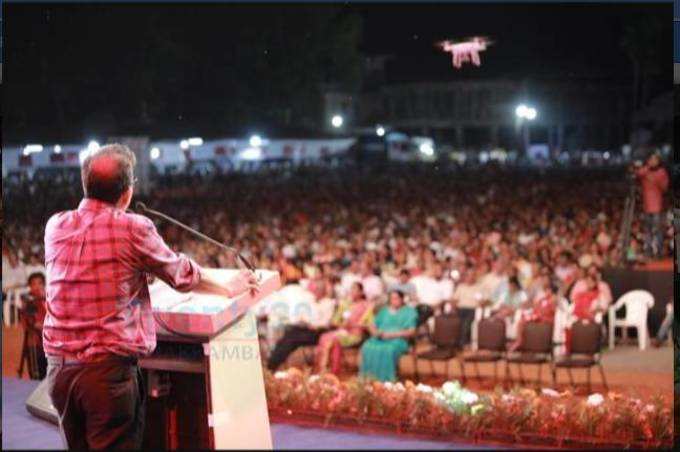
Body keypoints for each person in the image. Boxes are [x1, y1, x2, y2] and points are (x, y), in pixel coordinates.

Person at [43, 144, 259, 450]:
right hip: (106, 375)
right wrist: (228, 285)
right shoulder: (132, 227)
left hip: (59, 372)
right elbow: (180, 274)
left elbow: (96, 269)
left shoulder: (55, 225)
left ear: (84, 184)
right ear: (128, 191)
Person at [267, 278, 337, 370]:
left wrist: (313, 325)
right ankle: (272, 362)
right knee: (288, 334)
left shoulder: (328, 303)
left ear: (323, 290)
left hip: (317, 332)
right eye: (315, 288)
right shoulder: (312, 301)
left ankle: (272, 365)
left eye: (318, 288)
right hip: (306, 328)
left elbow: (326, 323)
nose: (316, 291)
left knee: (292, 338)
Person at [315, 281, 373, 374]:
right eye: (351, 289)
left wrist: (354, 325)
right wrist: (341, 324)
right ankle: (323, 371)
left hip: (355, 335)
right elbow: (334, 321)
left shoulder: (366, 306)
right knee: (324, 337)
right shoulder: (345, 304)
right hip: (342, 331)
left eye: (355, 289)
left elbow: (369, 324)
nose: (352, 291)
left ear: (361, 292)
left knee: (334, 340)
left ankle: (329, 371)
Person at [359, 290, 418, 382]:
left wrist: (391, 335)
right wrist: (375, 332)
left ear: (402, 299)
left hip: (398, 340)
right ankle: (369, 378)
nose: (394, 301)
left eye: (396, 298)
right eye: (391, 299)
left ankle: (387, 380)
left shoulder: (409, 312)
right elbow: (373, 324)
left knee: (388, 349)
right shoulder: (384, 311)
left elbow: (411, 331)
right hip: (380, 337)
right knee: (367, 346)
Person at [508, 276, 557, 352]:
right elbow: (536, 308)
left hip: (547, 319)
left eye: (549, 290)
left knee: (524, 320)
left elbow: (553, 312)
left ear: (551, 291)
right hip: (539, 316)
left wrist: (551, 303)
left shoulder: (554, 300)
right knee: (522, 319)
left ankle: (519, 341)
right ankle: (519, 341)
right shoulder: (543, 299)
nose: (547, 291)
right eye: (546, 290)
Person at [634, 152, 669, 258]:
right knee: (647, 231)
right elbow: (638, 174)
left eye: (655, 160)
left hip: (657, 206)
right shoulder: (645, 171)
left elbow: (665, 188)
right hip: (646, 206)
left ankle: (659, 252)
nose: (653, 161)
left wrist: (656, 180)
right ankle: (648, 251)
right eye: (651, 159)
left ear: (658, 161)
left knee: (658, 231)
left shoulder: (662, 172)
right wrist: (647, 166)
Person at [19, 272, 48, 379]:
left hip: (50, 343)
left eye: (40, 283)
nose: (37, 286)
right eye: (34, 284)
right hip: (35, 344)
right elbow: (32, 324)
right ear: (30, 286)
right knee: (37, 378)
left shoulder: (48, 298)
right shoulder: (27, 300)